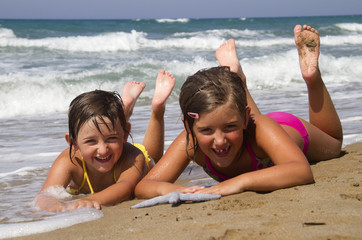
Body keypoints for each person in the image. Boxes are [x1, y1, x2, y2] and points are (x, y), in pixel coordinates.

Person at [135, 25, 343, 198]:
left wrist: (240, 182)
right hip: (250, 130)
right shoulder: (190, 141)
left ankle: (311, 78)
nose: (219, 140)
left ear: (244, 119)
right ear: (189, 126)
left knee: (333, 146)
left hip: (283, 129)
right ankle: (237, 78)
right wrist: (180, 190)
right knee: (239, 117)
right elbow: (145, 186)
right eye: (207, 131)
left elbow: (301, 171)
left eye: (229, 128)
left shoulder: (259, 126)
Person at [34, 69, 176, 212]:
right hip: (117, 143)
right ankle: (124, 109)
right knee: (108, 127)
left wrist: (88, 200)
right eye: (91, 141)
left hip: (141, 158)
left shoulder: (133, 157)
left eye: (111, 139)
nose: (102, 150)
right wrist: (55, 206)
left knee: (155, 159)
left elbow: (125, 188)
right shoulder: (69, 161)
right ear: (73, 143)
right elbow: (45, 196)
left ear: (126, 134)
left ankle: (157, 109)